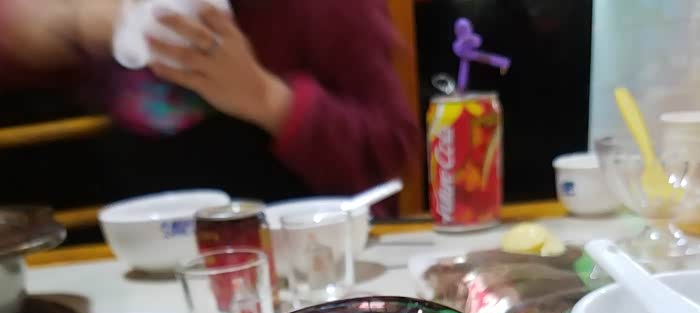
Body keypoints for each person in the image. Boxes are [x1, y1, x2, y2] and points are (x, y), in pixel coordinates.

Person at [0, 0, 419, 204]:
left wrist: (267, 98)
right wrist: (64, 24)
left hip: (293, 252)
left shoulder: (323, 11)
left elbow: (392, 145)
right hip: (134, 252)